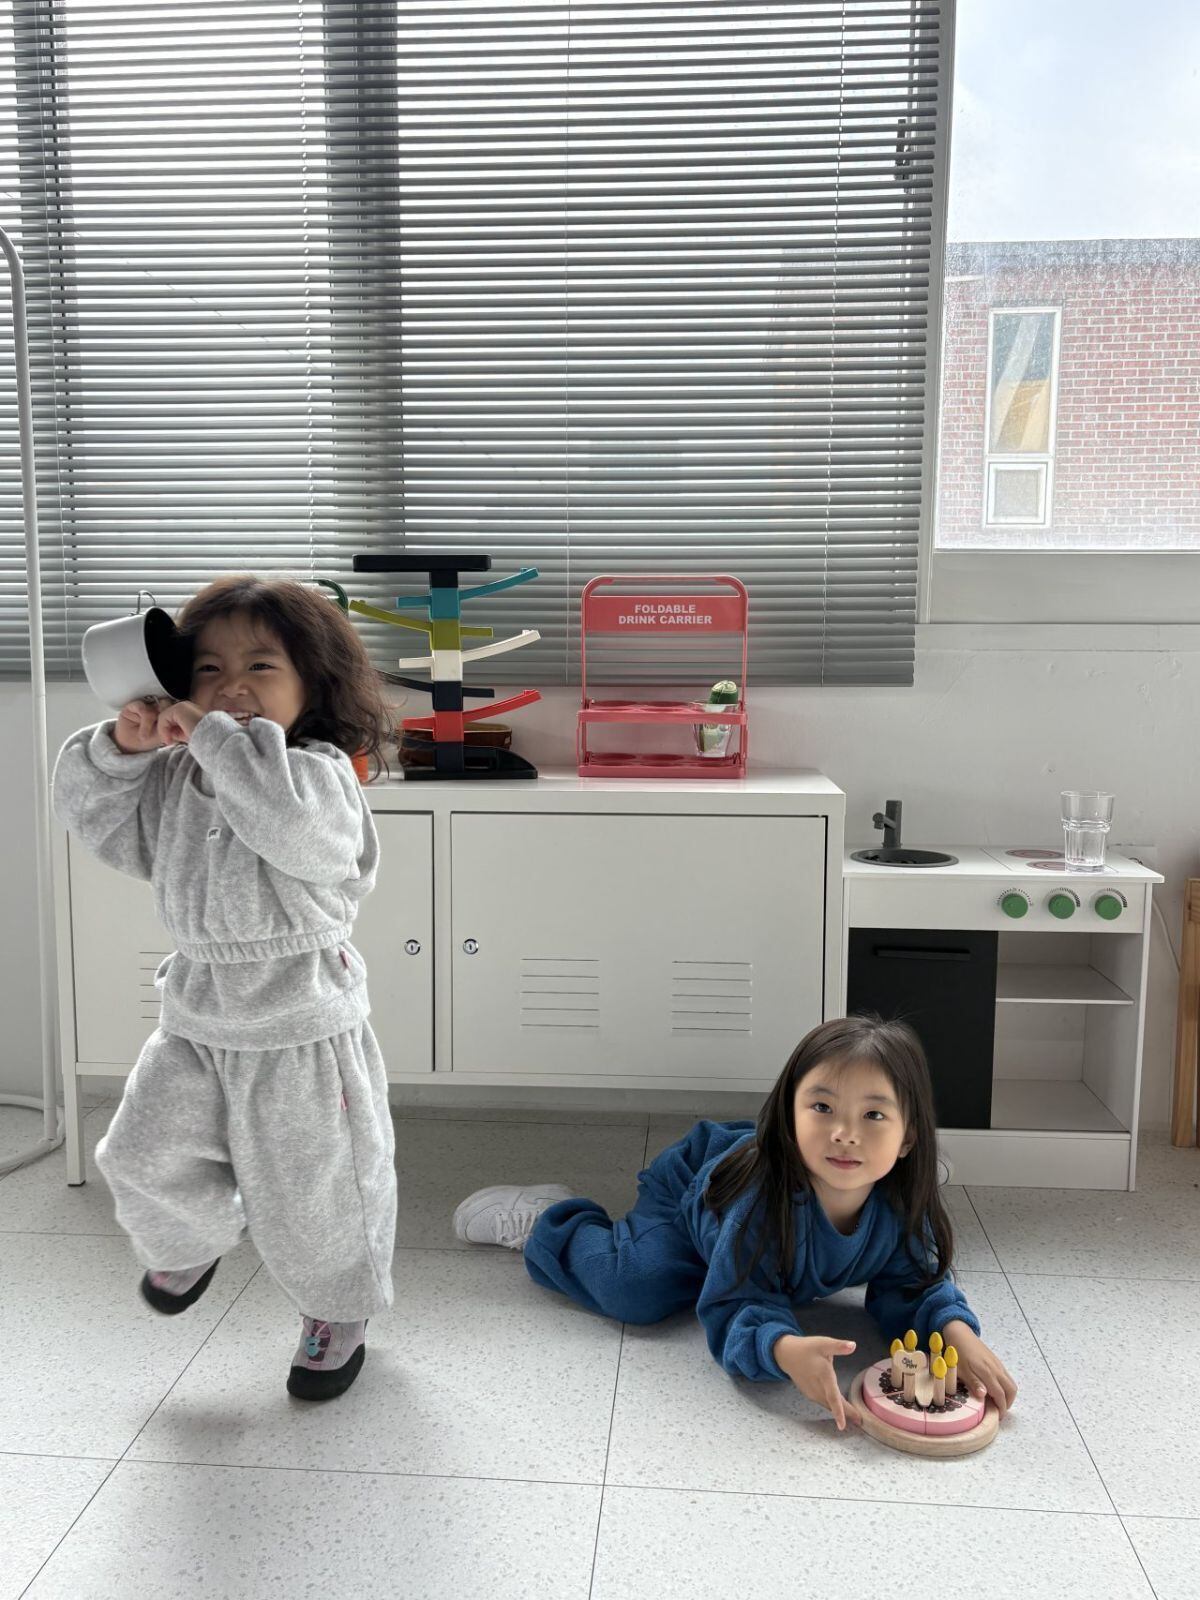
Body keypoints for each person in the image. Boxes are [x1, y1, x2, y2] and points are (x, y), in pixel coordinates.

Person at [53, 575, 397, 1401]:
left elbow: (294, 831)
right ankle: (190, 1241)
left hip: (300, 1026)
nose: (231, 687)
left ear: (313, 684)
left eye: (260, 667)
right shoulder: (180, 775)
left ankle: (336, 1310)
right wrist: (123, 750)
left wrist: (213, 739)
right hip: (198, 1014)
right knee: (139, 1153)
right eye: (208, 670)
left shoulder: (317, 775)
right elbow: (99, 822)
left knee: (315, 1194)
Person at [454, 1015, 1017, 1428]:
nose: (845, 1133)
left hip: (761, 1219)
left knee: (771, 1265)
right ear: (789, 1116)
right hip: (695, 1196)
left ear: (908, 1138)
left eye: (873, 1115)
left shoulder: (901, 1202)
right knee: (635, 1289)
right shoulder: (759, 1208)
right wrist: (782, 1348)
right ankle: (551, 1219)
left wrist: (957, 1334)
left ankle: (736, 1251)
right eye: (822, 1108)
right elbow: (738, 1307)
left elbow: (916, 1283)